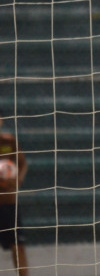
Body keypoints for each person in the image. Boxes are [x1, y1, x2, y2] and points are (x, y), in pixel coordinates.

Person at [0, 110, 29, 276]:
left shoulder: (9, 141)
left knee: (18, 247)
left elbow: (23, 164)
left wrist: (18, 179)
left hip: (10, 204)